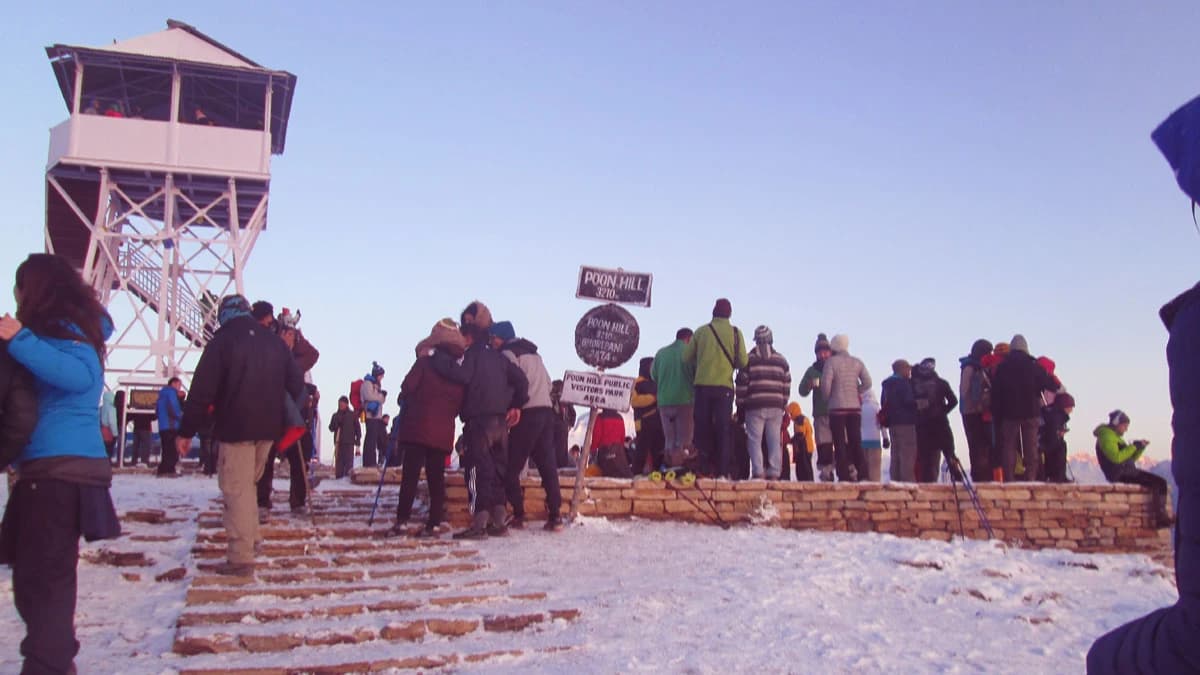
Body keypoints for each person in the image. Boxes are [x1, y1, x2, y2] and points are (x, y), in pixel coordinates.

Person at [0, 253, 121, 674]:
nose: (14, 296)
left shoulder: (64, 334)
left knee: (45, 583)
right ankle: (54, 663)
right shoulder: (60, 330)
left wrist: (20, 341)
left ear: (34, 288)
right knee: (37, 584)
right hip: (45, 471)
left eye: (18, 286)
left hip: (60, 472)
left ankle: (47, 665)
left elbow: (81, 377)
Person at [177, 294, 304, 576]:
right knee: (248, 486)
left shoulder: (223, 341)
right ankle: (252, 538)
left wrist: (187, 430)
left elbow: (201, 390)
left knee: (237, 489)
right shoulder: (274, 343)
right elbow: (296, 384)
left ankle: (240, 557)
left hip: (236, 427)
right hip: (268, 429)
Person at [430, 301, 528, 539]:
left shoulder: (471, 356)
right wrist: (516, 404)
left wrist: (438, 358)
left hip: (479, 423)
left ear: (469, 338)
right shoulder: (499, 358)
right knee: (498, 472)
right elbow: (522, 380)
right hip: (501, 423)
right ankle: (498, 521)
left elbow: (460, 375)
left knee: (476, 471)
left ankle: (479, 524)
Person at [392, 319, 466, 538]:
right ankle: (433, 523)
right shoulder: (458, 374)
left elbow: (407, 388)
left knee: (410, 477)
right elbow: (458, 405)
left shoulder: (424, 363)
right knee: (436, 479)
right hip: (442, 433)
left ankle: (402, 521)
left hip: (417, 428)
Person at [490, 320, 564, 531]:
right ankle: (555, 515)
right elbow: (549, 384)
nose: (492, 342)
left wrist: (512, 406)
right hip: (546, 412)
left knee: (511, 466)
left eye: (494, 337)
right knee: (547, 466)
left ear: (502, 337)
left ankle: (519, 514)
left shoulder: (507, 354)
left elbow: (512, 381)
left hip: (525, 413)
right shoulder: (535, 354)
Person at [683, 299, 748, 478]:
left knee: (702, 428)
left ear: (713, 312)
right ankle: (722, 471)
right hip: (724, 388)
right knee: (723, 428)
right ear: (730, 314)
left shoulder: (702, 332)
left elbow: (686, 357)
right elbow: (743, 361)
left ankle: (703, 468)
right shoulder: (736, 333)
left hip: (702, 386)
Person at [991, 334, 1056, 482]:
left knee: (1009, 446)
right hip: (1031, 412)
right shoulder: (1033, 365)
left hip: (1009, 413)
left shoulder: (1002, 367)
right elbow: (1050, 385)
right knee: (1031, 446)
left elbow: (996, 393)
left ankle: (1009, 478)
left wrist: (997, 414)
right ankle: (1031, 478)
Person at [1091, 410, 1173, 528]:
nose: (1126, 429)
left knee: (1160, 483)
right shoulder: (1106, 436)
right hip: (1120, 474)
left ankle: (1161, 516)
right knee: (1159, 483)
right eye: (1124, 426)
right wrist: (1133, 446)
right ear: (1116, 423)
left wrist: (1139, 448)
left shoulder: (1115, 437)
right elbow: (1116, 458)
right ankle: (1160, 518)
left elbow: (1129, 458)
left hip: (1127, 471)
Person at [735, 325, 791, 479]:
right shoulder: (781, 360)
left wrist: (740, 403)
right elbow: (787, 384)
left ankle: (758, 471)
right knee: (774, 440)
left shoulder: (749, 359)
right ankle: (774, 471)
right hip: (775, 406)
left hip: (754, 406)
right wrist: (783, 402)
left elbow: (741, 385)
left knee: (754, 440)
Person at [820, 334, 871, 482]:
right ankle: (863, 473)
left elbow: (826, 385)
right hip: (854, 407)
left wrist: (827, 397)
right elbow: (868, 381)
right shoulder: (857, 362)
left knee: (839, 442)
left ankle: (843, 475)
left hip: (837, 408)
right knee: (855, 440)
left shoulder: (831, 363)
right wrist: (857, 390)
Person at [651, 328, 696, 467]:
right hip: (685, 401)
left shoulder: (661, 353)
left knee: (669, 440)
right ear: (689, 339)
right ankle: (680, 471)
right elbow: (696, 375)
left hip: (664, 402)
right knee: (684, 441)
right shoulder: (690, 354)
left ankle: (668, 468)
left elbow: (653, 375)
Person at [911, 358, 959, 483]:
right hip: (940, 423)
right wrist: (943, 411)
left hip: (923, 426)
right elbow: (953, 401)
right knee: (949, 451)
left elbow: (909, 404)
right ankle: (956, 474)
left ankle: (928, 485)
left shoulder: (913, 384)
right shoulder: (941, 383)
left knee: (926, 459)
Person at [799, 333, 835, 481]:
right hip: (821, 412)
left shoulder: (836, 366)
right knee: (823, 443)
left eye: (825, 352)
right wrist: (809, 385)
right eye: (820, 352)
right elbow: (801, 391)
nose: (823, 355)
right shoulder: (812, 370)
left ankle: (846, 470)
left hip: (837, 410)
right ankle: (826, 471)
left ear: (830, 352)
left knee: (842, 444)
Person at [958, 339, 994, 482]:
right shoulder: (976, 367)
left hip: (969, 412)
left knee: (976, 446)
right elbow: (964, 390)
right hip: (976, 412)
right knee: (981, 445)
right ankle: (981, 476)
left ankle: (980, 476)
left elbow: (962, 391)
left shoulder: (968, 366)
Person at [880, 359, 918, 482]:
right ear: (902, 370)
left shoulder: (887, 385)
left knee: (895, 454)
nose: (910, 372)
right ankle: (907, 483)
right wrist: (921, 403)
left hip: (893, 424)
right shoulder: (903, 384)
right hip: (906, 423)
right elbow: (908, 402)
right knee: (907, 453)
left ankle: (895, 481)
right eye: (908, 369)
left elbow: (883, 403)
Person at [630, 356, 665, 475]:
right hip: (643, 421)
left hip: (659, 421)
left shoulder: (658, 382)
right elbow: (633, 401)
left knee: (659, 449)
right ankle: (636, 474)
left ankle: (657, 473)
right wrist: (653, 398)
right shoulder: (635, 383)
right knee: (642, 450)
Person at [1041, 393, 1074, 483]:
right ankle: (1059, 477)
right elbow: (1051, 432)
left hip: (1043, 440)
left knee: (1060, 446)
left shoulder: (1050, 412)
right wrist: (1059, 434)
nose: (1071, 410)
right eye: (1070, 407)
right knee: (1061, 447)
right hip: (1045, 442)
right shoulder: (1056, 415)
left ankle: (1056, 476)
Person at [360, 362, 387, 468]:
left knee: (374, 439)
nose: (382, 378)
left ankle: (372, 461)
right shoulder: (367, 383)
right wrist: (381, 396)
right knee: (370, 439)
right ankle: (368, 462)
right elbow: (369, 396)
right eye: (381, 376)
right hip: (370, 415)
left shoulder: (375, 385)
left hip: (376, 416)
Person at [155, 377, 184, 476]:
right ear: (174, 383)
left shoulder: (161, 394)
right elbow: (174, 407)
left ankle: (163, 470)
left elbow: (157, 411)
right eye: (179, 385)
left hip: (163, 426)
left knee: (166, 450)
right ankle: (169, 470)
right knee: (172, 450)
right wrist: (181, 416)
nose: (180, 387)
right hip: (171, 425)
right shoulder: (171, 393)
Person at [329, 395, 361, 479]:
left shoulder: (352, 415)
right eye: (340, 404)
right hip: (338, 442)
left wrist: (358, 440)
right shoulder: (335, 415)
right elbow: (331, 428)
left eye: (342, 404)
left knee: (348, 462)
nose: (341, 406)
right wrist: (336, 424)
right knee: (339, 462)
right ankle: (338, 478)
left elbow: (358, 428)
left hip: (349, 442)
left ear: (346, 404)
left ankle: (347, 478)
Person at [859, 389, 888, 482]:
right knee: (874, 471)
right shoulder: (876, 408)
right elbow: (882, 424)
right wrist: (885, 438)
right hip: (875, 442)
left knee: (864, 470)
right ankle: (874, 490)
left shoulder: (860, 408)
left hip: (862, 442)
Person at [550, 379, 576, 468]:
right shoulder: (554, 401)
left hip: (560, 427)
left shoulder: (565, 401)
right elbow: (573, 414)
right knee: (558, 451)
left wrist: (570, 424)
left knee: (559, 451)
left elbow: (572, 414)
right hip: (556, 428)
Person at [786, 401, 815, 481]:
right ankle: (809, 481)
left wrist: (790, 441)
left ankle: (807, 483)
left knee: (803, 468)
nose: (789, 415)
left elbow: (800, 435)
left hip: (804, 448)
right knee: (807, 467)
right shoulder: (804, 418)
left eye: (790, 413)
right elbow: (810, 431)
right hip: (809, 447)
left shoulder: (799, 420)